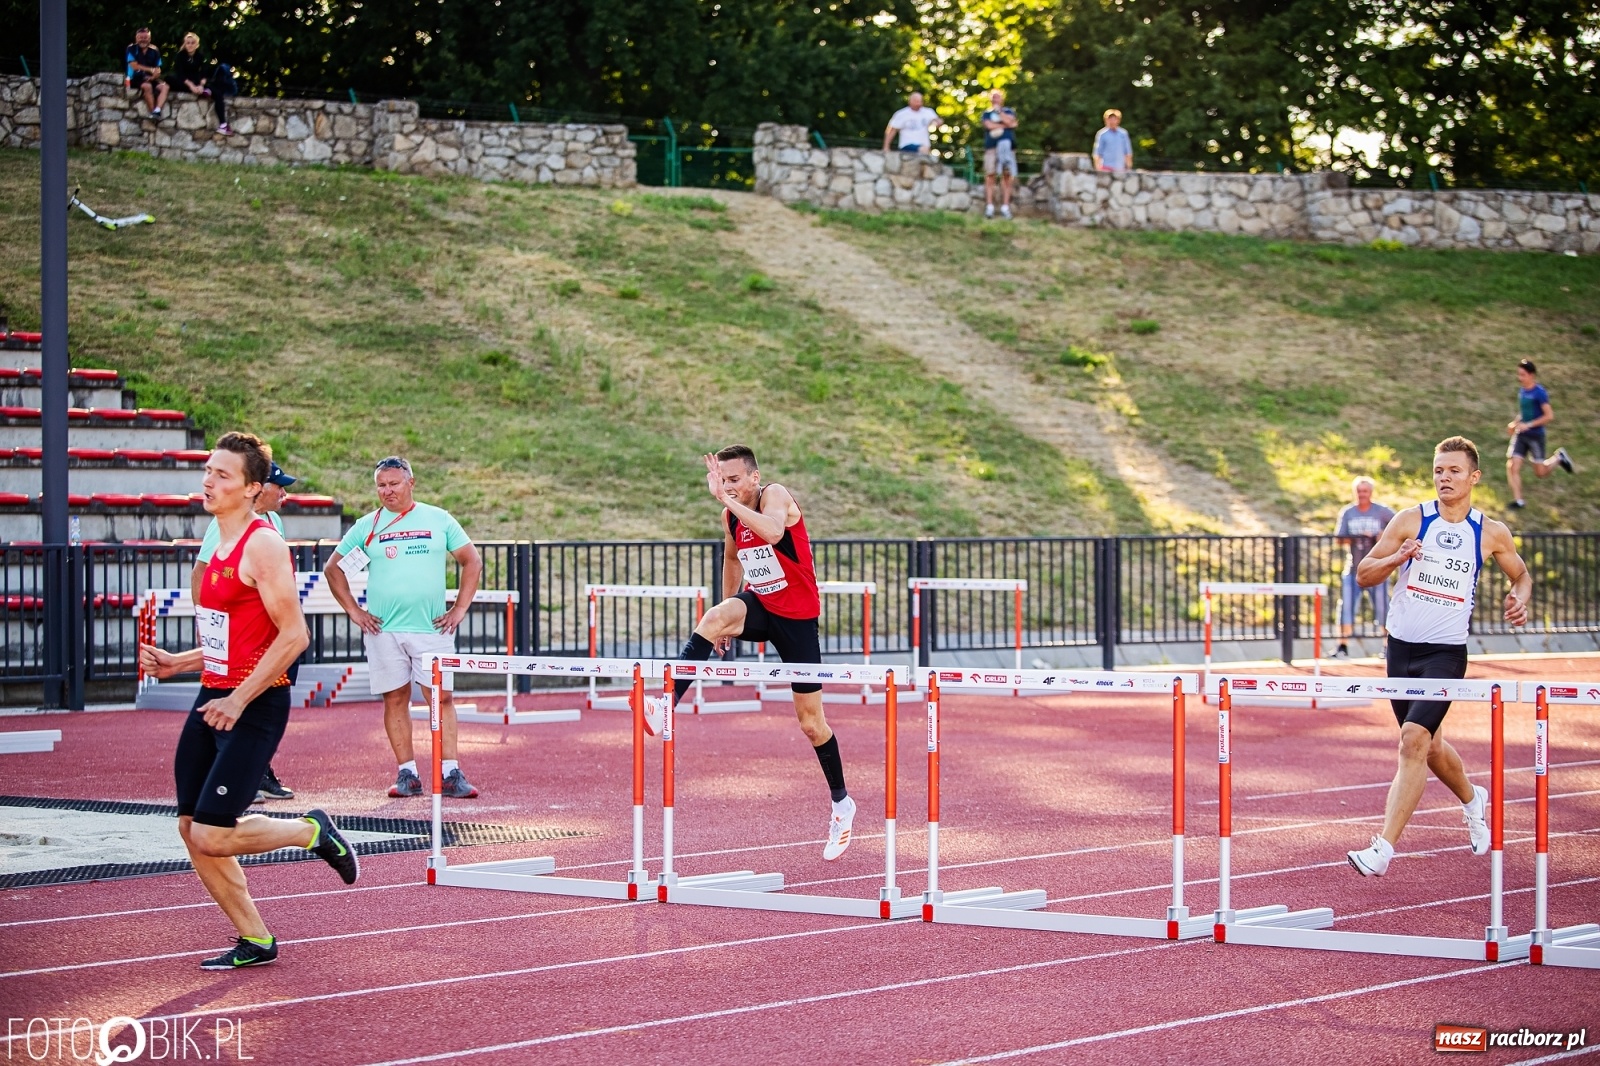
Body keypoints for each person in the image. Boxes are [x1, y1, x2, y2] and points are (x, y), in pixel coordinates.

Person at [140, 432, 358, 971]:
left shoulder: (262, 544)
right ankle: (255, 939)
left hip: (255, 704)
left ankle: (313, 832)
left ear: (252, 489)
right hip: (213, 694)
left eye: (222, 475)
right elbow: (231, 635)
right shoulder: (214, 538)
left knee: (215, 832)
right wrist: (179, 662)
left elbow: (292, 637)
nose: (209, 481)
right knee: (192, 829)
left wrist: (237, 700)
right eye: (208, 470)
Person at [652, 446, 855, 861]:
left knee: (812, 724)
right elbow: (732, 559)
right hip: (761, 606)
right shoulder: (730, 516)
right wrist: (729, 615)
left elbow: (776, 533)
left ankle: (841, 805)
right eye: (722, 480)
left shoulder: (774, 495)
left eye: (734, 480)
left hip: (797, 620)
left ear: (754, 478)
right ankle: (667, 703)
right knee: (713, 617)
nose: (727, 487)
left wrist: (727, 502)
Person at [1345, 436, 1531, 877]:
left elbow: (1520, 574)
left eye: (1453, 471)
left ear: (1473, 477)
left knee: (1412, 740)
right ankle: (1472, 798)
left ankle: (1382, 850)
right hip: (1400, 650)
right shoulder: (1412, 520)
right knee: (1431, 747)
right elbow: (1364, 574)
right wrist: (1397, 557)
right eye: (1438, 471)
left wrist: (1518, 597)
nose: (1444, 478)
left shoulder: (1490, 532)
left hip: (1445, 654)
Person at [324, 457, 483, 800]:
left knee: (440, 697)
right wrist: (354, 610)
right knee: (394, 698)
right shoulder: (368, 525)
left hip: (431, 629)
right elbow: (333, 568)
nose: (387, 491)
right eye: (381, 485)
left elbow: (472, 561)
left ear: (412, 483)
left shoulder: (438, 519)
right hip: (383, 631)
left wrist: (459, 608)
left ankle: (450, 772)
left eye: (394, 484)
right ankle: (407, 773)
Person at [194, 460, 301, 802]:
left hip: (273, 633)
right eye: (278, 486)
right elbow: (201, 575)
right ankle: (235, 774)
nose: (284, 493)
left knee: (264, 706)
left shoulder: (274, 522)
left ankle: (257, 770)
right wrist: (211, 625)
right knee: (235, 703)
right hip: (242, 635)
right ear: (257, 488)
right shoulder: (227, 525)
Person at [1332, 476, 1396, 658]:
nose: (1362, 495)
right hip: (1354, 569)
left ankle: (1387, 647)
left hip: (1378, 569)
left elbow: (1399, 526)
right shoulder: (1348, 512)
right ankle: (1342, 647)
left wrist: (1381, 535)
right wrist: (1357, 536)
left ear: (1371, 493)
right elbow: (1339, 539)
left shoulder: (1382, 511)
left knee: (1384, 607)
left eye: (1365, 491)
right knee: (1346, 607)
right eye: (1359, 491)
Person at [1505, 359, 1574, 509]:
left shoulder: (1539, 393)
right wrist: (1515, 423)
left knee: (1541, 472)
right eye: (1519, 374)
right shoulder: (1522, 391)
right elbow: (1525, 413)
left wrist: (1528, 425)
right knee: (1512, 465)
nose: (1520, 378)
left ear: (1531, 375)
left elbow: (1549, 416)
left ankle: (1559, 458)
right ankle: (1519, 501)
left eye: (1523, 375)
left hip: (1536, 436)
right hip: (1521, 435)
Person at [167, 32, 235, 135]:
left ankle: (223, 125)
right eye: (188, 43)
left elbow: (204, 73)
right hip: (185, 83)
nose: (190, 45)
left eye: (192, 43)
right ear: (185, 44)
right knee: (169, 78)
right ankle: (202, 92)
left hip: (197, 82)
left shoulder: (200, 56)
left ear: (196, 44)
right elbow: (180, 74)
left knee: (217, 94)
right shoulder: (180, 56)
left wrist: (200, 85)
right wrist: (192, 87)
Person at [980, 89, 1018, 220]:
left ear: (1002, 100)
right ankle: (989, 207)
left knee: (1007, 176)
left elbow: (1011, 121)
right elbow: (989, 125)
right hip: (991, 148)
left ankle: (1005, 207)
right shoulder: (986, 113)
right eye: (993, 97)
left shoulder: (1008, 111)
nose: (995, 100)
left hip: (1008, 149)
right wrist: (1006, 125)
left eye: (998, 97)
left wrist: (1000, 115)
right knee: (990, 175)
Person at [125, 27, 169, 121]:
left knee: (165, 87)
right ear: (136, 38)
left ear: (149, 38)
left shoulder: (154, 50)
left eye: (145, 37)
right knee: (147, 87)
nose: (143, 39)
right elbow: (134, 66)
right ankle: (152, 112)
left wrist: (154, 76)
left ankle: (157, 110)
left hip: (150, 78)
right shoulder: (131, 49)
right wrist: (151, 70)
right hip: (135, 78)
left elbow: (158, 69)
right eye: (141, 37)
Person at [1093, 109, 1133, 173]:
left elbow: (1127, 152)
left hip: (1120, 168)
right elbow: (1097, 153)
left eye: (1114, 119)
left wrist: (1129, 167)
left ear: (1118, 120)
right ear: (1106, 120)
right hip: (1105, 167)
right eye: (1110, 119)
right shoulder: (1102, 134)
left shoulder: (1123, 134)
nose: (1112, 121)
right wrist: (1097, 168)